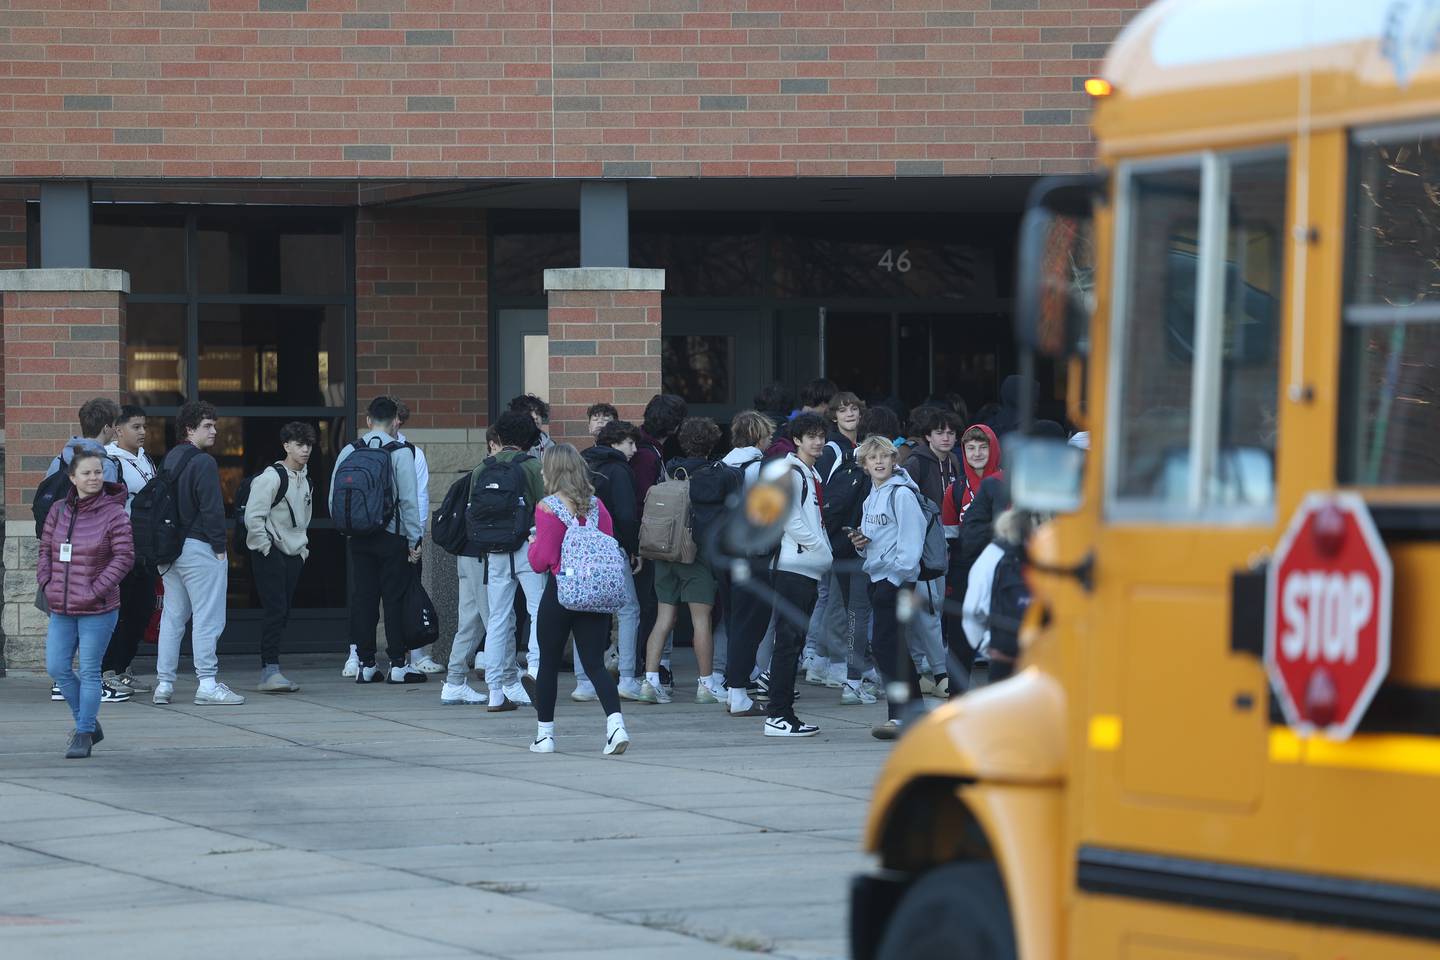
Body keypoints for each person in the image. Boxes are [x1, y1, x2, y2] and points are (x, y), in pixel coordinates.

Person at [526, 444, 629, 756]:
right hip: (595, 595)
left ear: (554, 471)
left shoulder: (547, 507)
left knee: (548, 663)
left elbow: (541, 560)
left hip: (561, 593)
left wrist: (532, 544)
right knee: (595, 664)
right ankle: (616, 725)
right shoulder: (597, 506)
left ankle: (545, 736)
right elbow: (610, 542)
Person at [39, 448, 135, 758]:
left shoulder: (114, 512)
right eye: (87, 473)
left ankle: (83, 732)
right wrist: (47, 583)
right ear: (72, 477)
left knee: (91, 671)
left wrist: (95, 589)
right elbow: (45, 551)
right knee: (57, 667)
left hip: (98, 607)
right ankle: (90, 724)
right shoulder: (57, 510)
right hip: (62, 606)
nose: (94, 478)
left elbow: (124, 557)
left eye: (98, 472)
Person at [332, 396, 427, 687]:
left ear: (369, 420)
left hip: (358, 536)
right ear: (394, 420)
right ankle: (398, 665)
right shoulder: (400, 452)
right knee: (394, 598)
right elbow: (409, 501)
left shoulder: (350, 450)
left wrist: (347, 528)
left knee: (364, 599)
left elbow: (333, 495)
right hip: (392, 536)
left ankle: (366, 664)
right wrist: (414, 539)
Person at [154, 401, 245, 705]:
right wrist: (221, 549)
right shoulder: (203, 462)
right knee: (208, 618)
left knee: (172, 617)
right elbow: (212, 509)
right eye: (208, 426)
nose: (215, 431)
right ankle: (207, 683)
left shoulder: (171, 457)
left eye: (215, 425)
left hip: (170, 552)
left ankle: (164, 684)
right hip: (199, 548)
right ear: (190, 429)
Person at [637, 417, 725, 705]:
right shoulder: (711, 474)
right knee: (702, 620)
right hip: (693, 555)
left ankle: (650, 680)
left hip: (662, 553)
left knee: (664, 618)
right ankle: (706, 684)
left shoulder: (669, 471)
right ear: (711, 443)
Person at [848, 436, 926, 740]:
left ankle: (900, 715)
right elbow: (872, 543)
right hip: (878, 578)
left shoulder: (902, 494)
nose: (879, 462)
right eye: (872, 458)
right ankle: (911, 714)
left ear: (894, 460)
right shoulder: (872, 495)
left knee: (885, 646)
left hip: (896, 581)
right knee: (894, 648)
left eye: (884, 457)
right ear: (865, 465)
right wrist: (859, 544)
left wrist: (894, 580)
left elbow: (911, 543)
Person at [763, 413, 832, 738]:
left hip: (802, 566)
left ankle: (782, 713)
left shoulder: (806, 472)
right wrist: (822, 550)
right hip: (794, 567)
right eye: (811, 436)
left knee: (792, 642)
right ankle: (778, 715)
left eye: (821, 435)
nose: (817, 442)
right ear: (798, 440)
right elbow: (790, 518)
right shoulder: (792, 473)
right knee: (788, 643)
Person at [479, 410, 547, 710]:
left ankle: (495, 692)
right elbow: (546, 507)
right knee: (538, 612)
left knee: (497, 618)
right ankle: (536, 674)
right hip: (528, 545)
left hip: (494, 550)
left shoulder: (484, 468)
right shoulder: (532, 465)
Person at [243, 421, 315, 694]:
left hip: (295, 552)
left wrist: (303, 550)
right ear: (286, 446)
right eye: (299, 444)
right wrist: (265, 547)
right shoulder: (271, 477)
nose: (305, 450)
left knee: (282, 612)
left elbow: (303, 521)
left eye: (308, 444)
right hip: (270, 552)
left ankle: (272, 670)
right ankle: (269, 670)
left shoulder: (306, 480)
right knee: (275, 611)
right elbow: (254, 517)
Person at [582, 419, 644, 700]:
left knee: (586, 611)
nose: (633, 449)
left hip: (580, 548)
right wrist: (634, 548)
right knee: (629, 609)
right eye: (629, 443)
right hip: (612, 547)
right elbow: (627, 514)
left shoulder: (582, 464)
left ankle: (584, 682)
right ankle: (628, 677)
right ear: (614, 443)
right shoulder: (619, 470)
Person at [628, 394, 687, 686]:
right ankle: (642, 664)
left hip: (642, 540)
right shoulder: (648, 454)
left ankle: (643, 663)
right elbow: (644, 501)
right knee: (647, 605)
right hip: (647, 541)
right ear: (675, 426)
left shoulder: (643, 448)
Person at [439, 425, 500, 707]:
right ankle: (503, 683)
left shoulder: (477, 473)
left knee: (471, 621)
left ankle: (454, 681)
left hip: (467, 554)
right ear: (492, 445)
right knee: (496, 620)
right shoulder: (489, 474)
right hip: (480, 556)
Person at [719, 410, 774, 716]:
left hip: (723, 555)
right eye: (767, 434)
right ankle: (739, 693)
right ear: (758, 436)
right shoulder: (759, 467)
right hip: (752, 556)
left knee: (733, 623)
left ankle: (733, 690)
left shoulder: (723, 463)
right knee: (750, 626)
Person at [101, 404, 157, 698]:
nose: (143, 432)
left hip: (145, 547)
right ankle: (106, 670)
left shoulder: (145, 459)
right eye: (136, 427)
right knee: (118, 611)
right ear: (118, 429)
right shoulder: (112, 460)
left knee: (143, 608)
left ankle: (122, 668)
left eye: (144, 426)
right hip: (120, 547)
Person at [387, 397, 444, 676]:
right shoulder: (363, 450)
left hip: (406, 533)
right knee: (368, 594)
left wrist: (417, 537)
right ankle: (357, 655)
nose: (394, 422)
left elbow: (420, 498)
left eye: (398, 417)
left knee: (411, 593)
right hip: (375, 534)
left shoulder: (413, 453)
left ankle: (417, 654)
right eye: (390, 417)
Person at [961, 508, 1038, 684]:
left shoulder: (990, 556)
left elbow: (971, 611)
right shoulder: (1042, 554)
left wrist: (986, 644)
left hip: (1003, 653)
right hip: (1040, 652)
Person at [44, 397, 121, 485]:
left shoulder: (58, 460)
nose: (115, 429)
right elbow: (108, 498)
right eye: (114, 424)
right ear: (106, 428)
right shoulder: (105, 466)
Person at [816, 391, 864, 482]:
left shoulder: (862, 447)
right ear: (834, 417)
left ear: (860, 414)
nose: (850, 414)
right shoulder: (828, 452)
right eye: (842, 410)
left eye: (854, 409)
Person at [509, 393, 555, 457]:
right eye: (529, 413)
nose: (535, 417)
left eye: (538, 413)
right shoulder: (508, 445)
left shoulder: (551, 445)